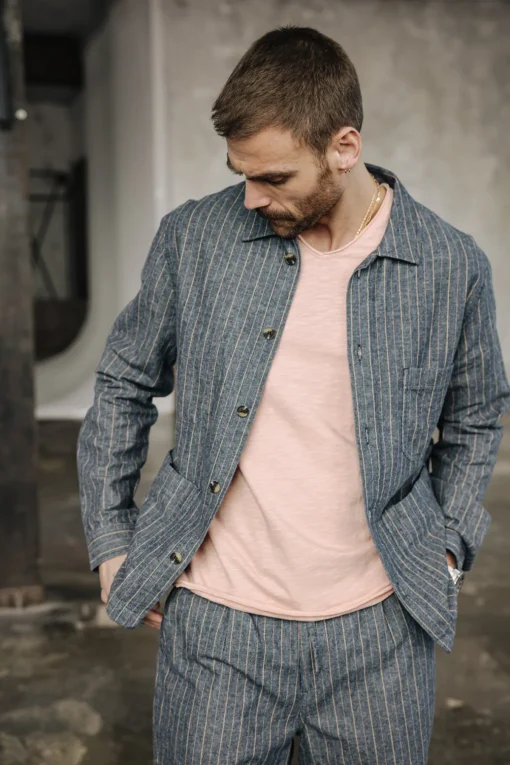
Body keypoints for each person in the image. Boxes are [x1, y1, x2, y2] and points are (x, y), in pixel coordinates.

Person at [77, 26, 510, 765]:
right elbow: (124, 381)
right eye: (241, 174)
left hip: (381, 627)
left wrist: (447, 547)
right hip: (217, 625)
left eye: (274, 178)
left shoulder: (449, 265)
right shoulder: (195, 239)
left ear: (344, 146)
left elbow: (475, 417)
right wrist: (112, 539)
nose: (252, 198)